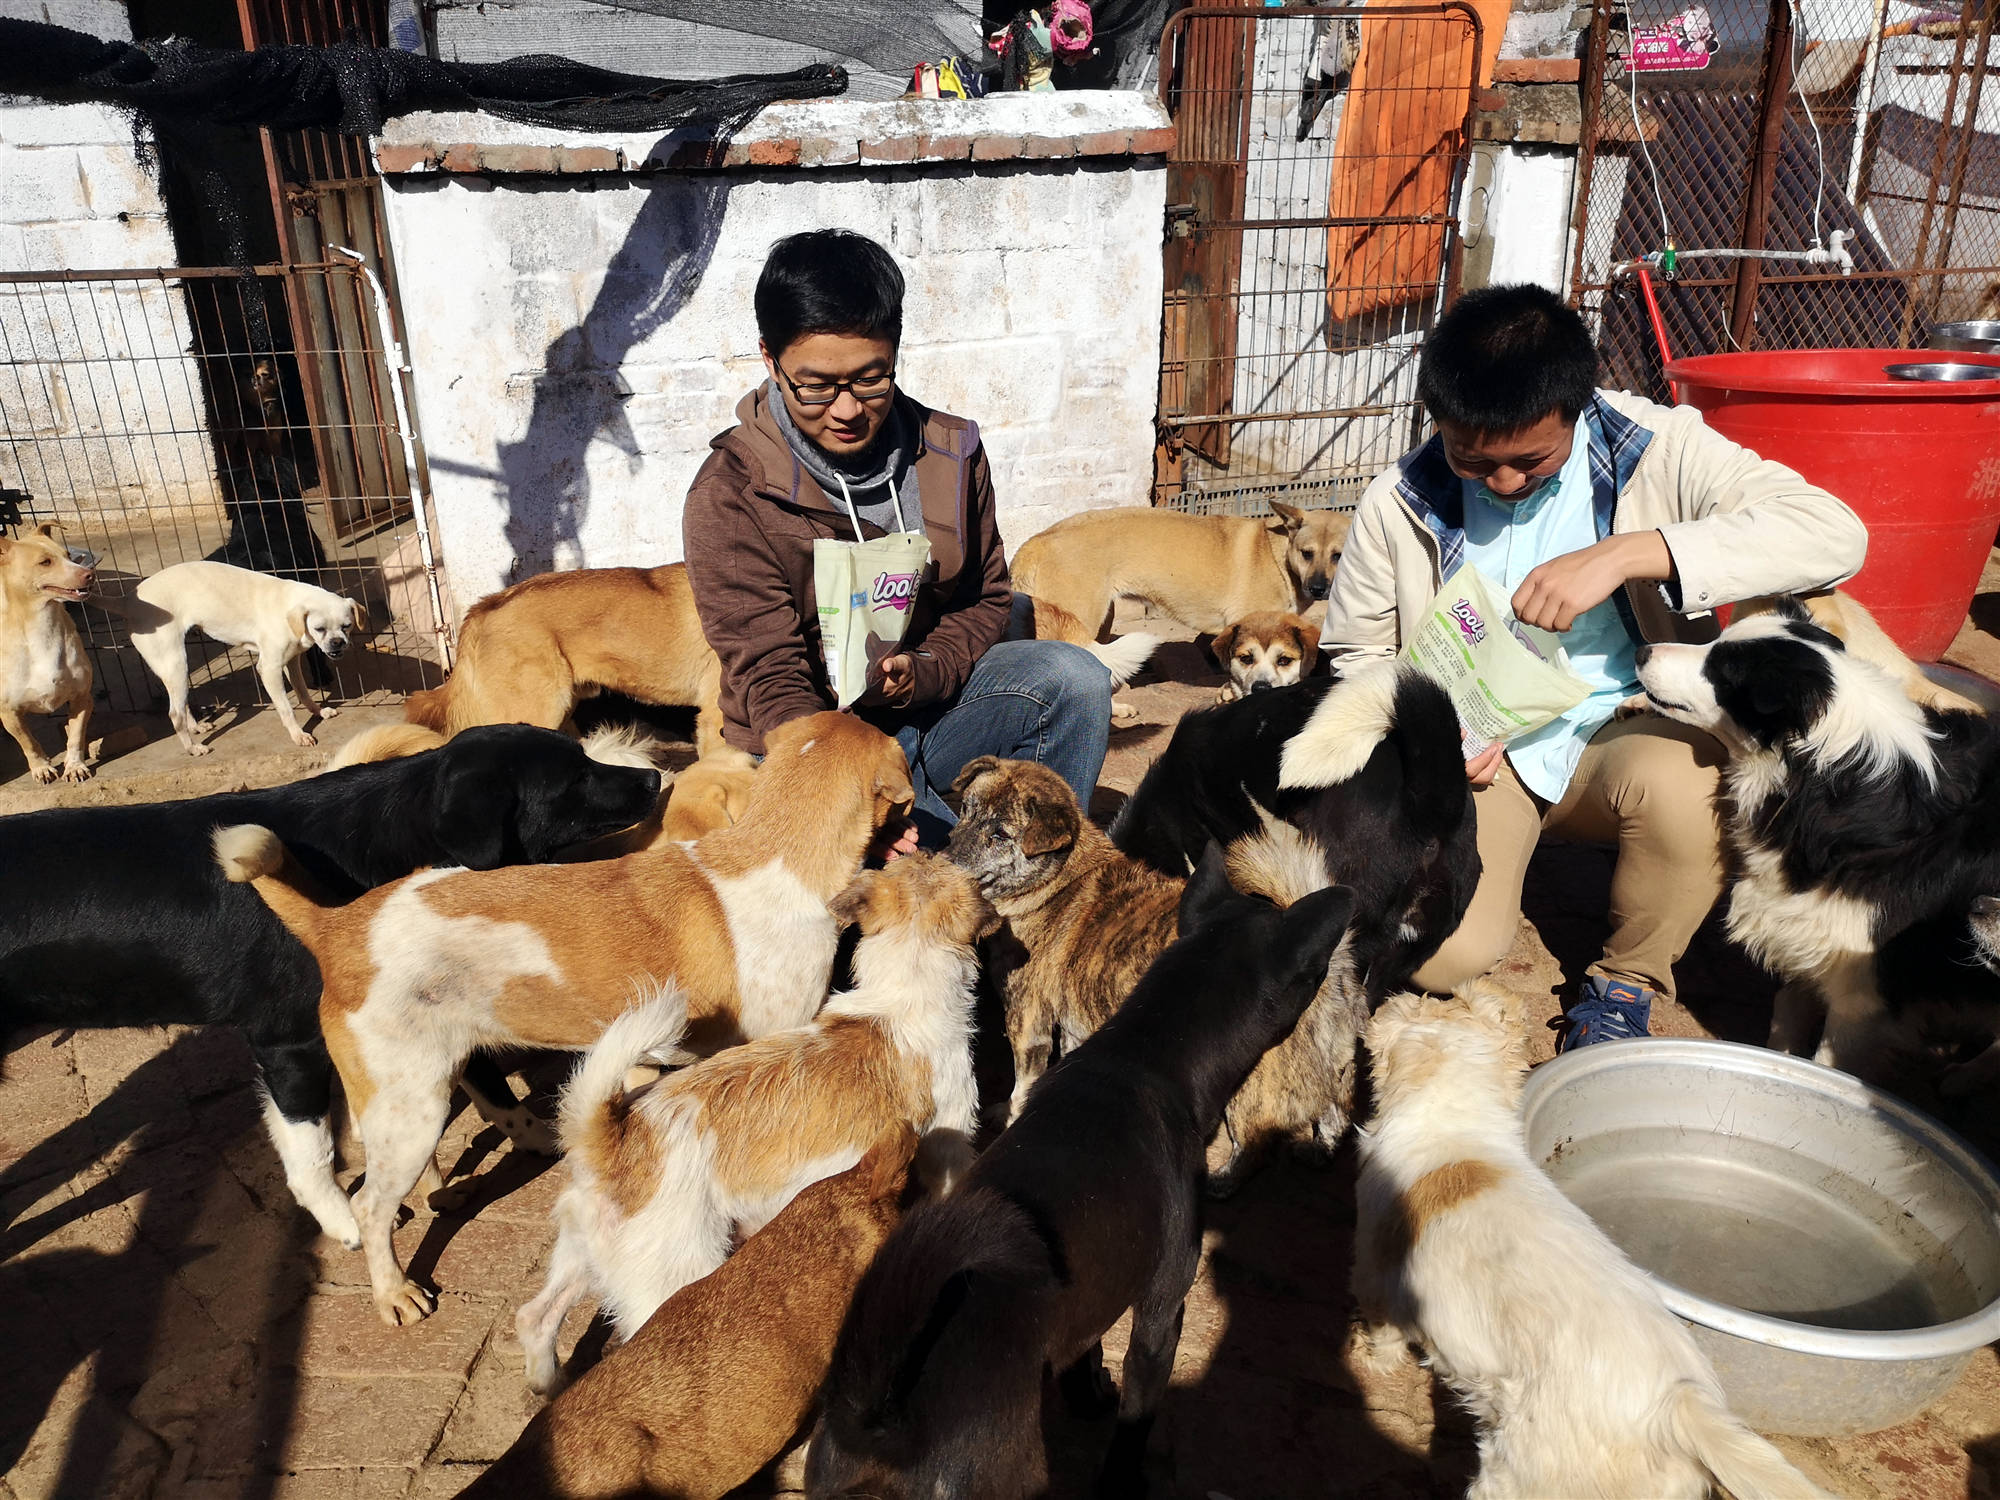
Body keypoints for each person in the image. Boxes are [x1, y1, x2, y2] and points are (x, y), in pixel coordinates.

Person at [1320, 284, 1867, 1046]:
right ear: (1437, 421)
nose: (1504, 482)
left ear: (1575, 411)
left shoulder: (1656, 446)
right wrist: (1420, 738)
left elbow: (1836, 535)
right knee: (1446, 957)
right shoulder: (1400, 499)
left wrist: (1633, 553)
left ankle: (1626, 985)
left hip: (1624, 726)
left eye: (1530, 461)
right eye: (1473, 460)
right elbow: (1358, 651)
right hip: (1486, 753)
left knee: (1691, 784)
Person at [682, 228, 1114, 850]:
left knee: (1073, 677)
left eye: (870, 379)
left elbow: (987, 598)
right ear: (770, 361)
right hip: (799, 744)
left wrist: (926, 671)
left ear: (895, 354)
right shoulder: (732, 491)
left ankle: (1036, 890)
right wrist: (847, 795)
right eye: (816, 385)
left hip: (933, 714)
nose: (847, 409)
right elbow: (766, 667)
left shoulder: (950, 454)